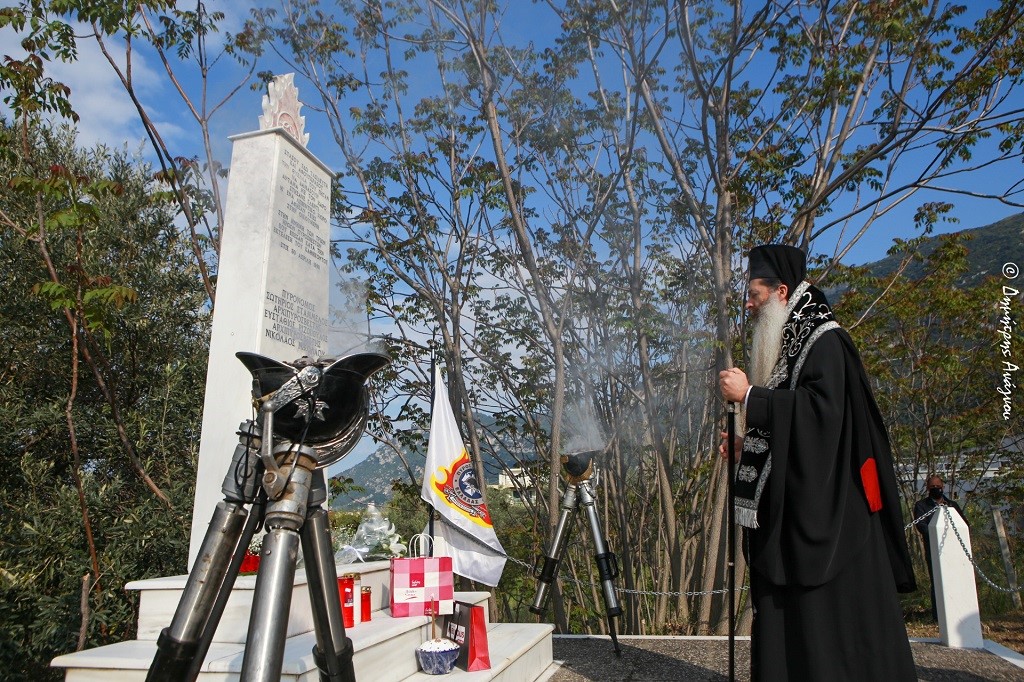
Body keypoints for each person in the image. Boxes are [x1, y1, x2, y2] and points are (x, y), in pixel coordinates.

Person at [718, 244, 917, 681]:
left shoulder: (825, 342)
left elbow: (821, 417)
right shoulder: (790, 340)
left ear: (782, 291)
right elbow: (790, 424)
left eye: (754, 295)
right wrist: (744, 446)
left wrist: (751, 397)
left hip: (833, 513)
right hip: (796, 504)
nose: (748, 306)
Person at [913, 473, 968, 621]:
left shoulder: (952, 505)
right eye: (932, 487)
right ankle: (939, 616)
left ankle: (960, 614)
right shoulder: (921, 506)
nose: (936, 489)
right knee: (937, 582)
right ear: (927, 488)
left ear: (943, 487)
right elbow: (921, 525)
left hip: (954, 551)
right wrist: (935, 534)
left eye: (938, 486)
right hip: (934, 549)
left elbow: (964, 524)